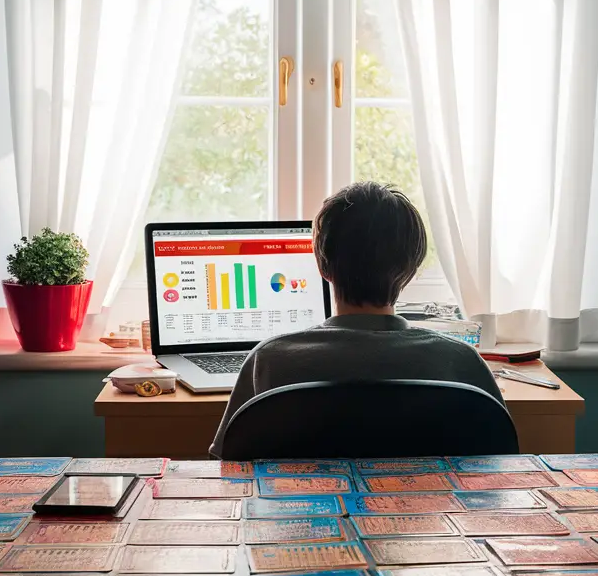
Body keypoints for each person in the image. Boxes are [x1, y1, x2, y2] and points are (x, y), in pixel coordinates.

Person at [209, 181, 504, 457]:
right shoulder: (461, 362)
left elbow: (230, 465)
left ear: (322, 265)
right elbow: (497, 464)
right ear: (412, 270)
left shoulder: (269, 362)